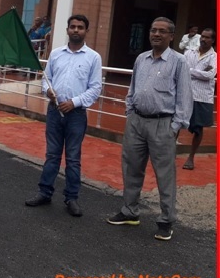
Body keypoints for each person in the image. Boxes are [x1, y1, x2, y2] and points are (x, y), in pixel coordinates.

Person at [107, 17, 192, 241]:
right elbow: (133, 87)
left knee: (165, 175)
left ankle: (166, 221)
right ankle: (130, 212)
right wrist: (129, 112)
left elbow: (185, 97)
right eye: (153, 30)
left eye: (162, 31)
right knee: (132, 169)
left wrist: (175, 127)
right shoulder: (141, 59)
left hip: (162, 124)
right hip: (136, 122)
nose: (156, 34)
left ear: (171, 36)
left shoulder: (179, 61)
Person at [25, 14, 102, 217]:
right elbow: (46, 78)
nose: (76, 30)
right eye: (73, 27)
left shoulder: (93, 57)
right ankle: (44, 192)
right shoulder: (56, 54)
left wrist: (74, 102)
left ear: (86, 31)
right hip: (54, 111)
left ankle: (72, 198)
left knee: (73, 158)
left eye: (80, 27)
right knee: (52, 155)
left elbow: (95, 88)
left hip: (76, 114)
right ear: (67, 30)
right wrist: (47, 91)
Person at [182, 28, 216, 170]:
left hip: (202, 97)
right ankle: (169, 154)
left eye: (207, 37)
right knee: (176, 124)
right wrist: (200, 72)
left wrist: (190, 71)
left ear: (213, 40)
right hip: (185, 94)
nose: (203, 39)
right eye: (202, 36)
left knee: (198, 129)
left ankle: (191, 157)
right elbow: (182, 69)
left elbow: (210, 75)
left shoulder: (214, 57)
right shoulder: (189, 52)